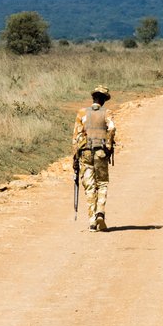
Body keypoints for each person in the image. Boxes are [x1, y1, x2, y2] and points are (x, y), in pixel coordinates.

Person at [73, 85, 117, 231]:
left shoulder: (82, 113)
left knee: (90, 186)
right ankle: (100, 213)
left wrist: (75, 158)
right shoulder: (107, 113)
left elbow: (77, 137)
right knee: (102, 183)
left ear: (93, 98)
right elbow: (111, 128)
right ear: (104, 100)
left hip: (85, 153)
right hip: (101, 153)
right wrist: (108, 146)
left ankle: (92, 221)